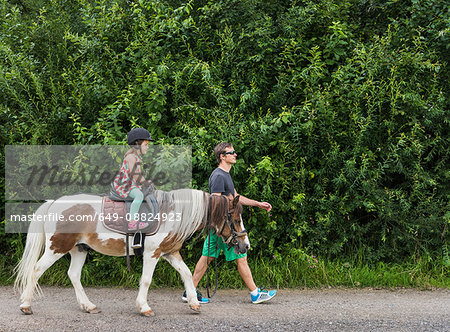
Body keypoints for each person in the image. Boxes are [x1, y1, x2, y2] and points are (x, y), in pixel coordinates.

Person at [182, 142, 277, 304]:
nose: (235, 154)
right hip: (224, 227)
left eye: (234, 152)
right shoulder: (219, 176)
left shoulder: (225, 175)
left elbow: (235, 197)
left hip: (219, 227)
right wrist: (221, 228)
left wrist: (257, 203)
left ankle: (189, 291)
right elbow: (216, 202)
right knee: (241, 256)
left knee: (207, 257)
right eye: (231, 152)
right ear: (222, 157)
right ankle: (255, 293)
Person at [112, 128, 153, 233]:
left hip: (131, 184)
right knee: (139, 195)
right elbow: (135, 175)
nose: (148, 147)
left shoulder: (136, 157)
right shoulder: (131, 157)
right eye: (146, 144)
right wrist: (145, 182)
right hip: (125, 185)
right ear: (137, 143)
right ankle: (132, 222)